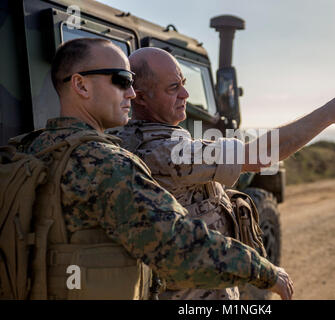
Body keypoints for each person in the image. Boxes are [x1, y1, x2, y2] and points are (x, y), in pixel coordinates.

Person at [15, 38, 293, 300]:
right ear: (81, 86)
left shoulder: (27, 149)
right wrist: (265, 271)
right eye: (122, 81)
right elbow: (177, 246)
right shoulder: (106, 164)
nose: (132, 93)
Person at [115, 47, 335, 300]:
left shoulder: (115, 139)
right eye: (173, 88)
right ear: (139, 96)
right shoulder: (169, 152)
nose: (185, 93)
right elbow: (260, 155)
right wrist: (327, 114)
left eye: (183, 82)